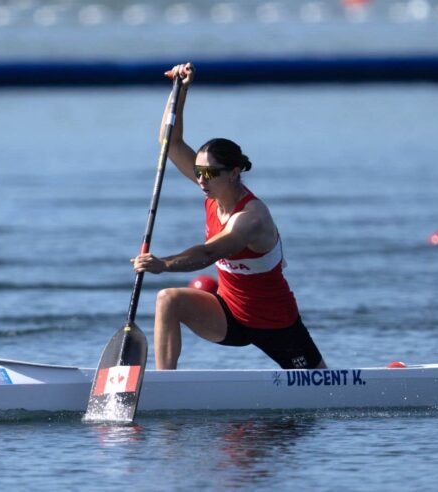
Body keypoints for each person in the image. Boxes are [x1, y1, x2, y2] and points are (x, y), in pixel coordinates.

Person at [132, 62, 326, 370]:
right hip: (228, 315)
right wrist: (180, 91)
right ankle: (162, 384)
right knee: (168, 300)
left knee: (320, 394)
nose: (201, 180)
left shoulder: (251, 217)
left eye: (209, 173)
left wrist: (164, 264)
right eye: (198, 172)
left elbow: (210, 252)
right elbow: (170, 144)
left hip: (276, 324)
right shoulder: (211, 193)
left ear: (234, 173)